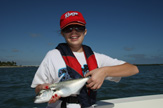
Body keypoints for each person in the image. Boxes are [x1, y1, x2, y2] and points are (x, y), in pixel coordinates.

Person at [31, 11, 139, 108]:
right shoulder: (52, 56)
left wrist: (104, 71)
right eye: (68, 29)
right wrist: (41, 88)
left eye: (79, 28)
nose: (74, 32)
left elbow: (133, 69)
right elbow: (37, 88)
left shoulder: (97, 58)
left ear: (85, 31)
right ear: (62, 33)